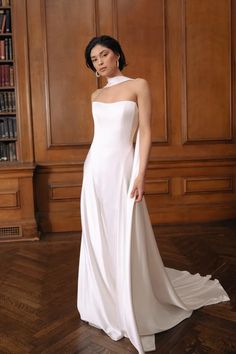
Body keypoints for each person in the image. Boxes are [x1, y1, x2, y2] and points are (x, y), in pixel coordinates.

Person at [77, 35, 230, 354]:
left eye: (104, 54)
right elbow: (99, 138)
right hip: (94, 170)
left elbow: (145, 131)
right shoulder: (95, 95)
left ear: (117, 54)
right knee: (98, 234)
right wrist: (90, 170)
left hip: (122, 168)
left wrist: (139, 173)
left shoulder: (138, 85)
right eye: (94, 59)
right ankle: (105, 298)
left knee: (124, 233)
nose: (100, 62)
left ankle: (132, 297)